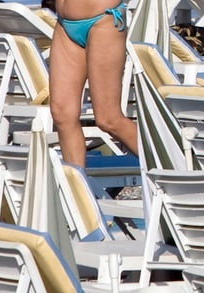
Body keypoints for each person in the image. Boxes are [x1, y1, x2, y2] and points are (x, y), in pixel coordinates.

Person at [49, 0, 138, 169]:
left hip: (103, 20)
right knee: (62, 114)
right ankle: (76, 191)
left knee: (109, 119)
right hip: (65, 23)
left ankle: (172, 166)